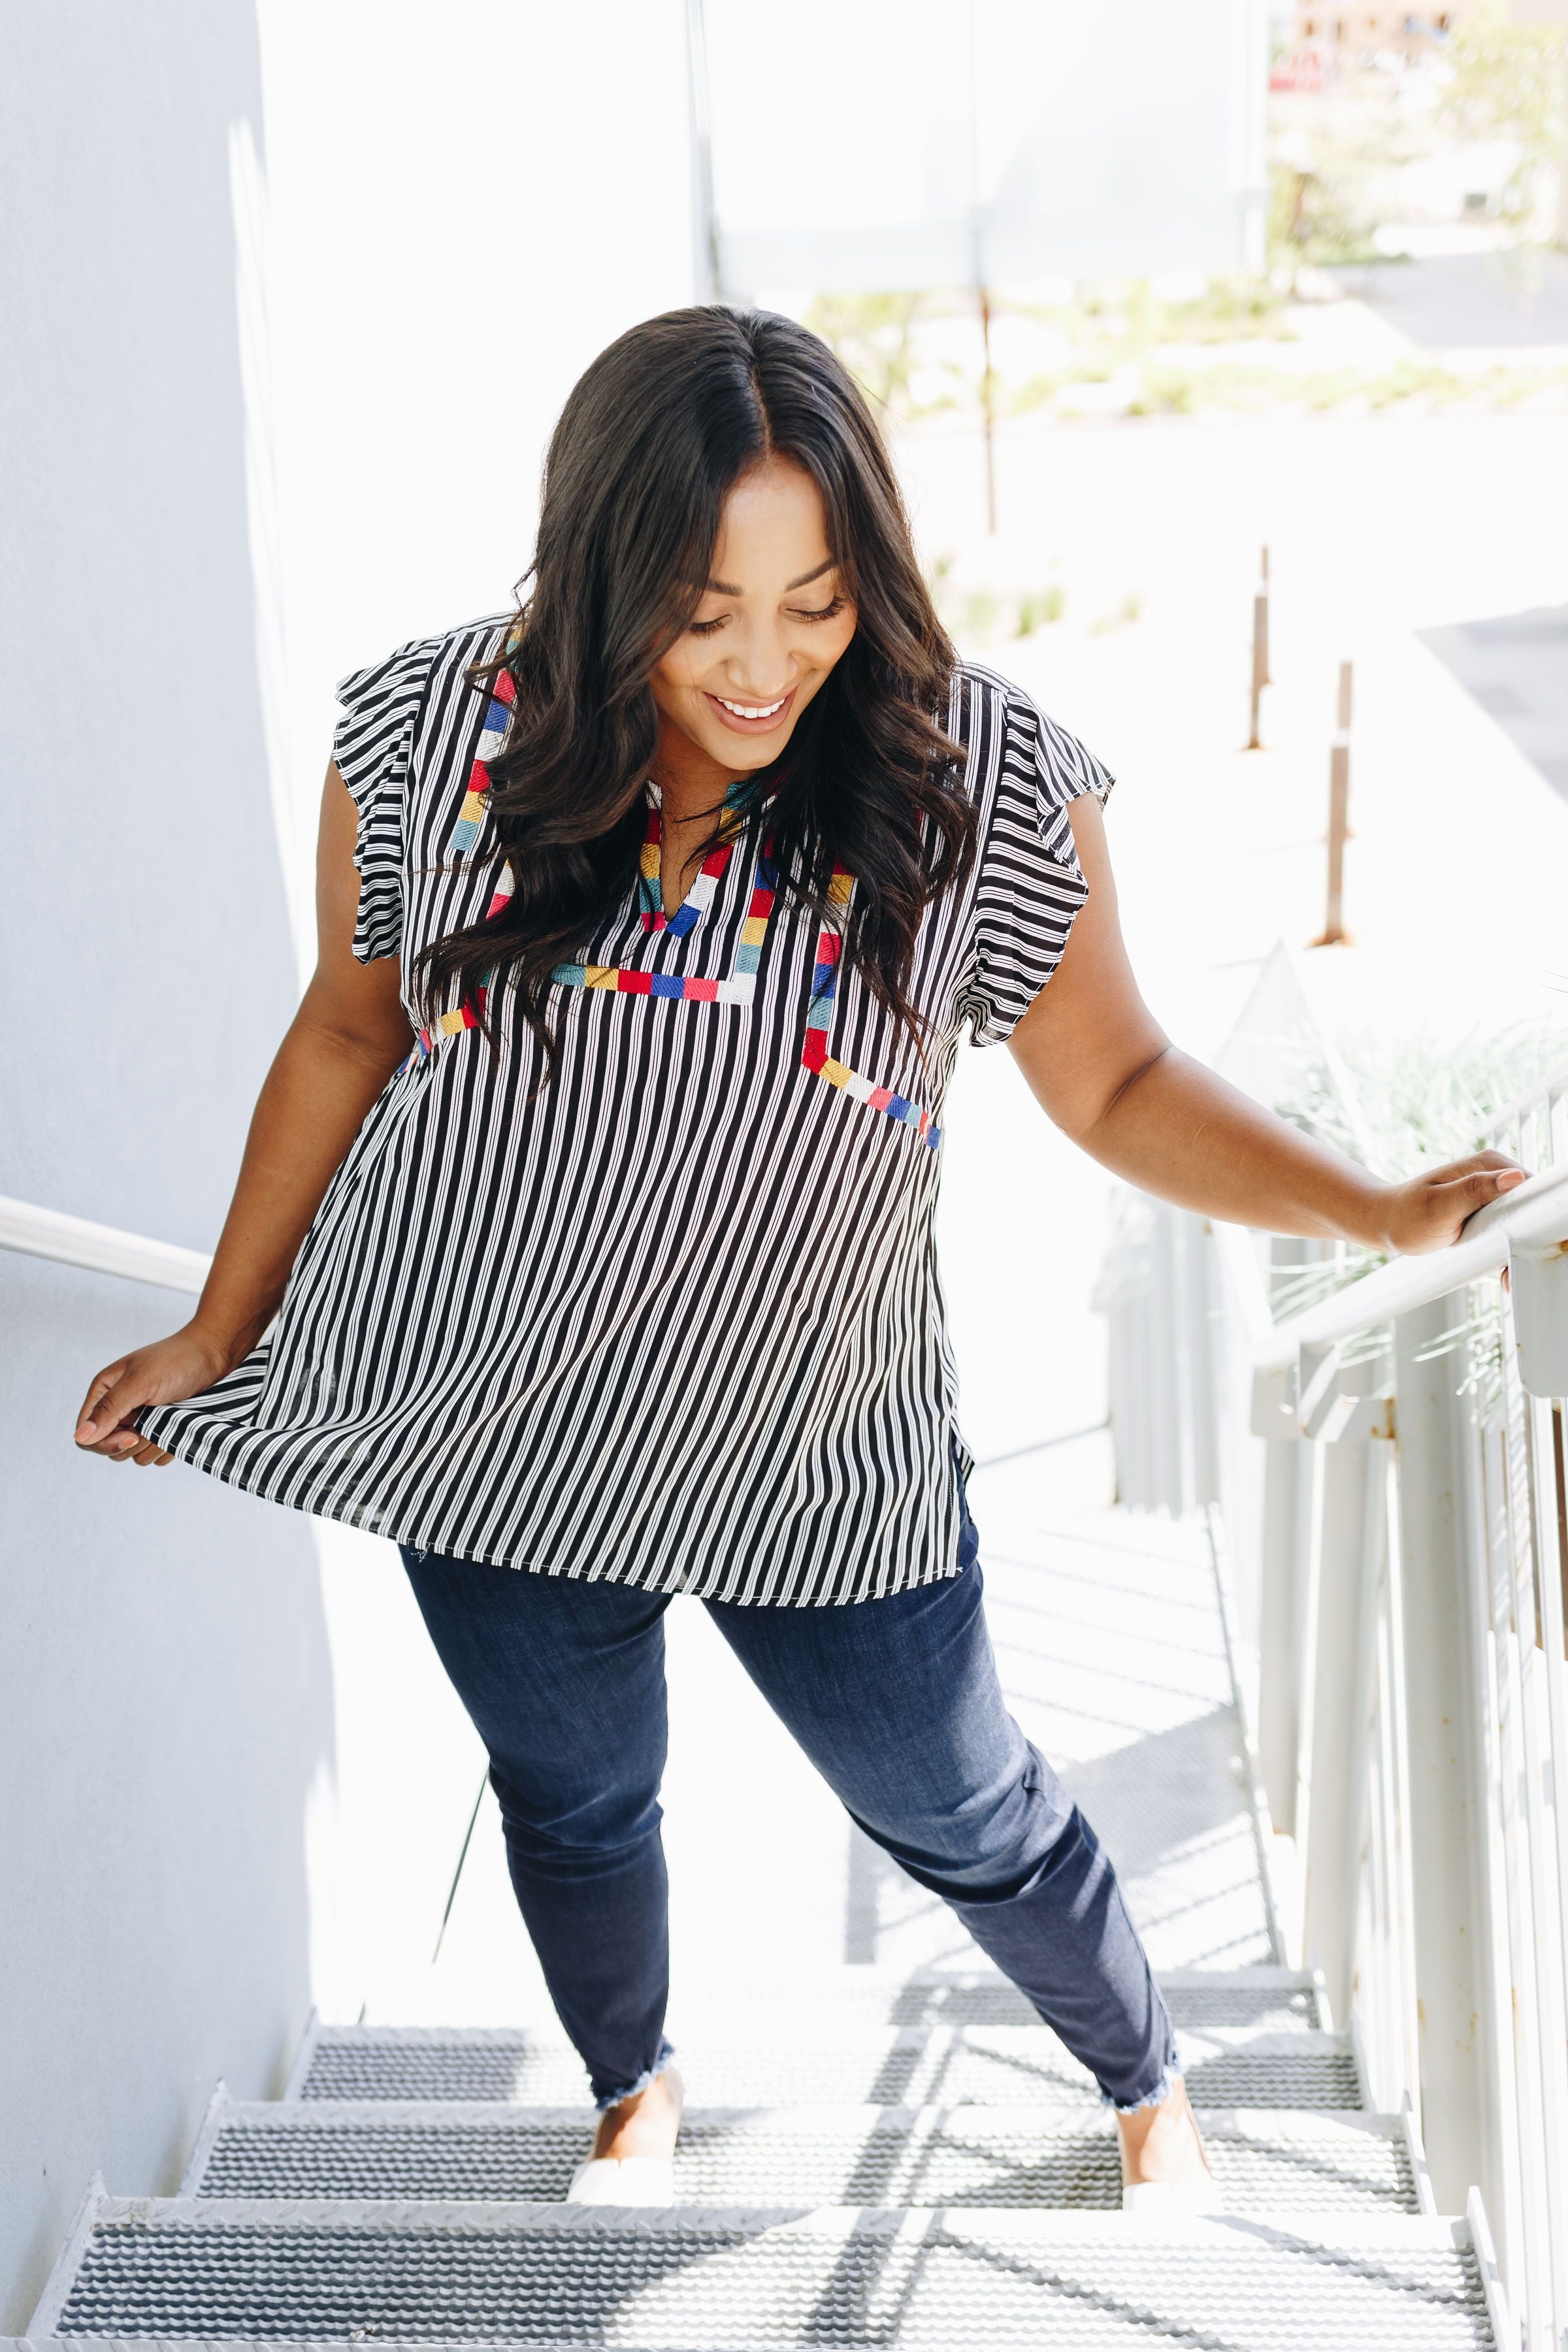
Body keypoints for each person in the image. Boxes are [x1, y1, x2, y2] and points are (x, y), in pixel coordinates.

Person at [74, 306, 1524, 2213]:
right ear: (602, 577)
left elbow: (1118, 1079)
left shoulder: (971, 776)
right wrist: (219, 1331)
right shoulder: (429, 738)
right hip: (476, 1414)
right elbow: (350, 1034)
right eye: (701, 616)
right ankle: (633, 2086)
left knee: (965, 1806)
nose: (763, 665)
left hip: (818, 1445)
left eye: (814, 605)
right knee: (576, 1801)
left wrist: (1374, 1211)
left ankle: (1145, 2077)